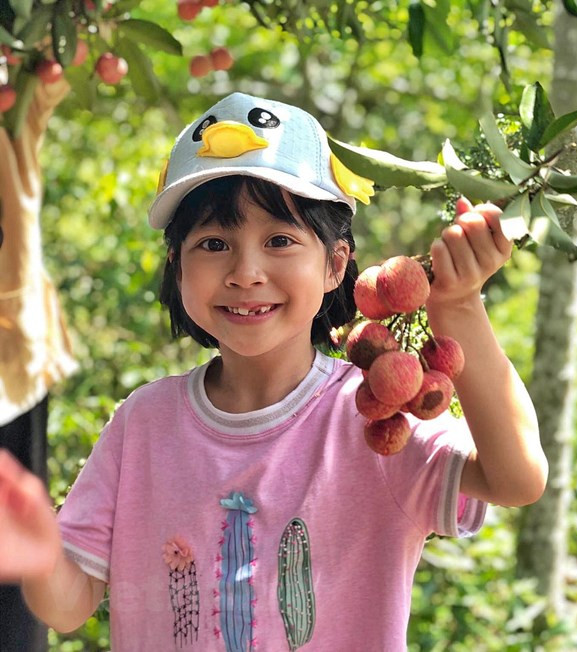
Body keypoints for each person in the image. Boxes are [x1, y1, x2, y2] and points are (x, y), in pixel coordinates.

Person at [0, 92, 547, 650]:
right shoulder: (143, 423)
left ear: (336, 263)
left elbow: (516, 479)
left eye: (280, 240)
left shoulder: (371, 417)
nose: (246, 272)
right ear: (176, 265)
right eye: (214, 244)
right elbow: (67, 606)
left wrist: (458, 309)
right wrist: (33, 541)